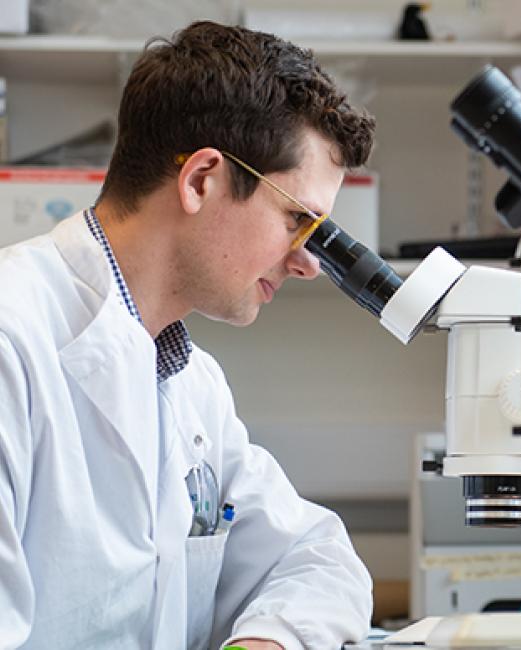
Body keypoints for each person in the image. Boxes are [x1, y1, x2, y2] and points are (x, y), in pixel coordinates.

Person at [0, 20, 376, 650]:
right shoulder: (13, 341)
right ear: (202, 179)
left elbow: (316, 557)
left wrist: (269, 640)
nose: (308, 262)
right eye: (298, 220)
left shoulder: (190, 382)